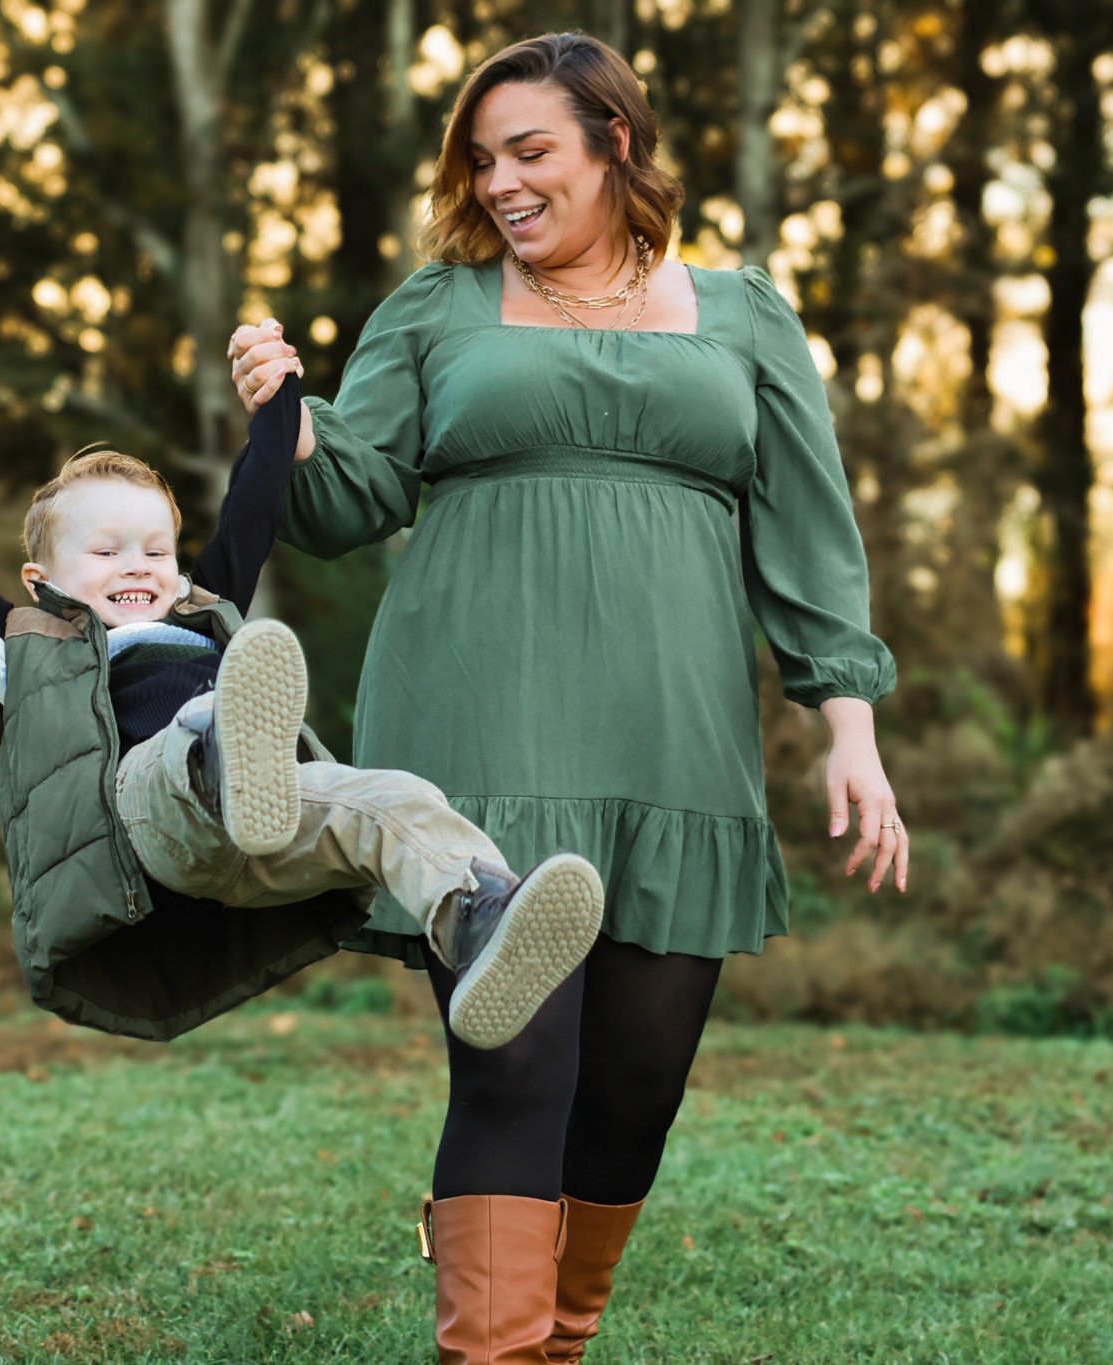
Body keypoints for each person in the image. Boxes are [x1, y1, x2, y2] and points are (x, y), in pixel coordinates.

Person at [228, 32, 905, 1365]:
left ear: (618, 142)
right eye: (482, 160)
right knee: (514, 1059)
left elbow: (810, 535)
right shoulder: (437, 306)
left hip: (675, 735)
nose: (501, 183)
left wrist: (852, 725)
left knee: (634, 1095)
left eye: (530, 150)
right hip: (479, 718)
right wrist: (291, 421)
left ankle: (557, 1338)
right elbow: (352, 496)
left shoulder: (748, 316)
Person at [0, 377, 604, 1050]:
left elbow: (254, 501)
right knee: (187, 737)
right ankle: (223, 747)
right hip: (150, 833)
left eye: (155, 550)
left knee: (387, 798)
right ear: (41, 576)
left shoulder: (203, 614)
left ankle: (475, 914)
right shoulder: (25, 644)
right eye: (106, 551)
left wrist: (279, 396)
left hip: (260, 842)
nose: (137, 566)